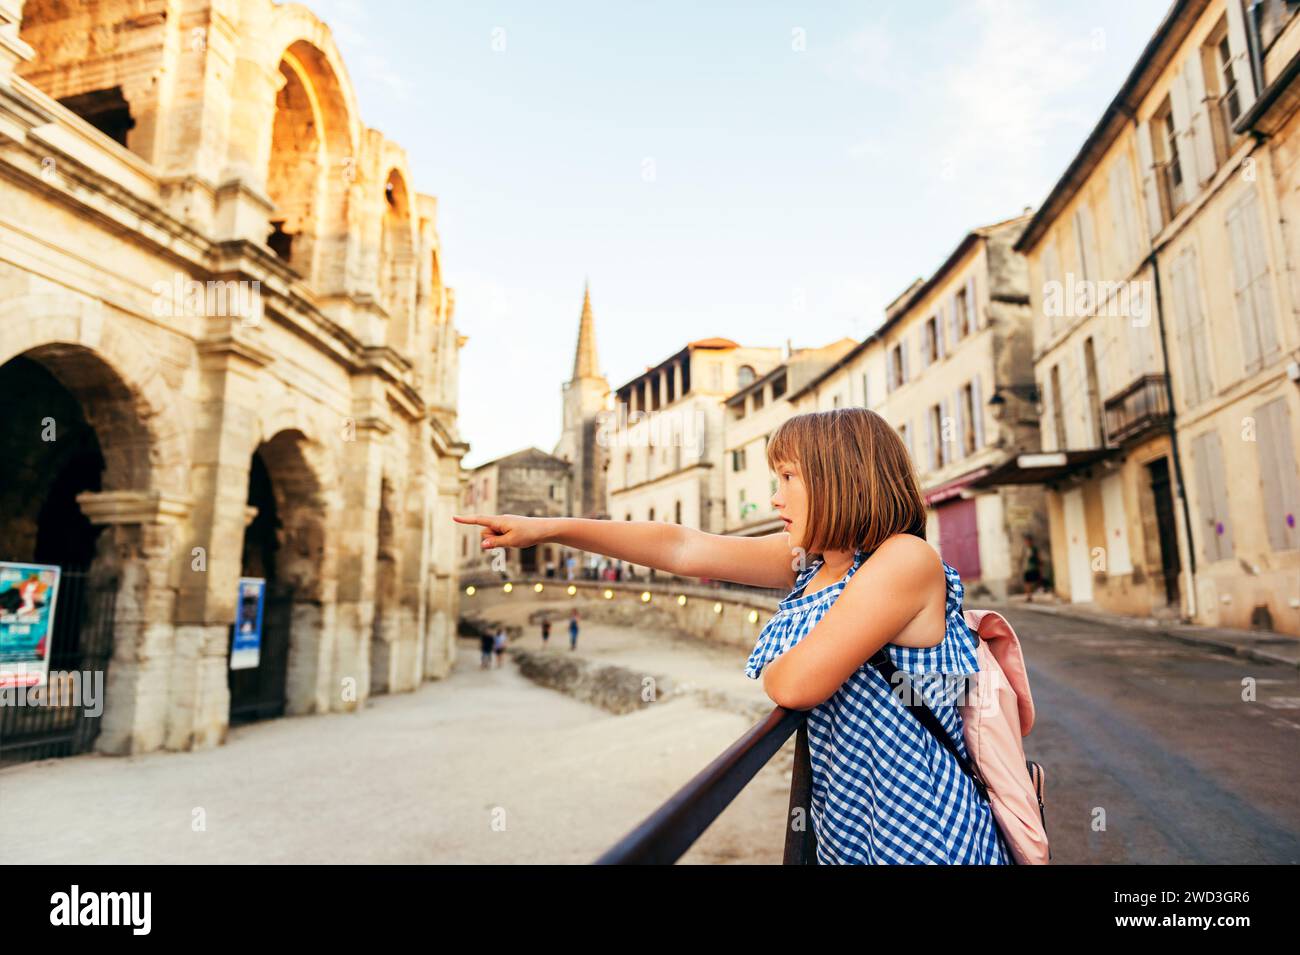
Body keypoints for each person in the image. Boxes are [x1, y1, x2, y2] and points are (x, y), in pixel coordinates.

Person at [454, 407, 1009, 864]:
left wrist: (777, 662)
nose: (775, 498)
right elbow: (682, 547)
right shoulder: (817, 563)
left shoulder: (904, 560)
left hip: (925, 834)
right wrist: (553, 529)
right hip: (855, 831)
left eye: (788, 478)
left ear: (841, 477)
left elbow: (794, 686)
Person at [1022, 534, 1042, 599]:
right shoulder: (1024, 549)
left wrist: (1040, 563)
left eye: (1028, 541)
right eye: (1026, 541)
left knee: (1037, 581)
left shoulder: (1034, 549)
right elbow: (1022, 558)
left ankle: (1038, 591)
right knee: (1027, 583)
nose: (1027, 542)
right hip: (1027, 568)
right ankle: (1029, 596)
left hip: (1034, 567)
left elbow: (1038, 557)